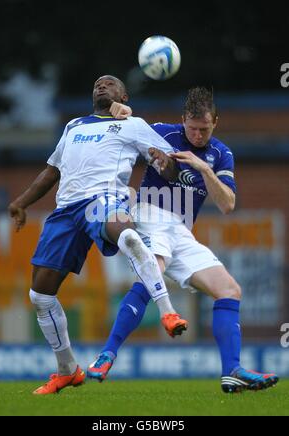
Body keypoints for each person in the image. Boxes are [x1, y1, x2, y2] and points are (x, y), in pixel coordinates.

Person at [88, 87, 279, 393]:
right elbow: (124, 131)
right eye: (192, 128)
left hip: (180, 230)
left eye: (204, 129)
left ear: (214, 122)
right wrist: (120, 113)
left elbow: (227, 204)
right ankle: (106, 355)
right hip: (151, 211)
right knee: (155, 268)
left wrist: (204, 169)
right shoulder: (162, 133)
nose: (198, 135)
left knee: (229, 289)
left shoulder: (220, 154)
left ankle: (232, 370)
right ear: (183, 121)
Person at [8, 75, 188, 395]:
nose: (101, 86)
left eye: (109, 83)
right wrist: (22, 202)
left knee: (129, 237)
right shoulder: (74, 125)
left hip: (102, 201)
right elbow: (52, 170)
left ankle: (167, 311)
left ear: (124, 94)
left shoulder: (132, 124)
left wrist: (165, 164)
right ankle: (67, 370)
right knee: (40, 294)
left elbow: (169, 164)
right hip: (66, 211)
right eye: (96, 84)